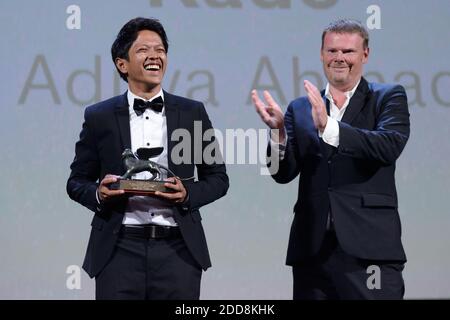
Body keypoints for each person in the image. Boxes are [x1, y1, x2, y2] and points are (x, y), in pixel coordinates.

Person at [67, 17, 228, 300]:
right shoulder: (99, 117)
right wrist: (100, 194)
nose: (155, 56)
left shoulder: (192, 113)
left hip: (178, 252)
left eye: (161, 50)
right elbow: (76, 182)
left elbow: (218, 179)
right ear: (122, 64)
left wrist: (186, 193)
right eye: (143, 50)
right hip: (118, 251)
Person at [252, 19, 410, 299]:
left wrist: (329, 128)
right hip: (312, 251)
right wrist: (277, 134)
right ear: (322, 54)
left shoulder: (387, 97)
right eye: (332, 51)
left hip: (370, 250)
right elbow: (282, 173)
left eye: (348, 51)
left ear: (365, 54)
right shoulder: (300, 108)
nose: (339, 58)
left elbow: (388, 146)